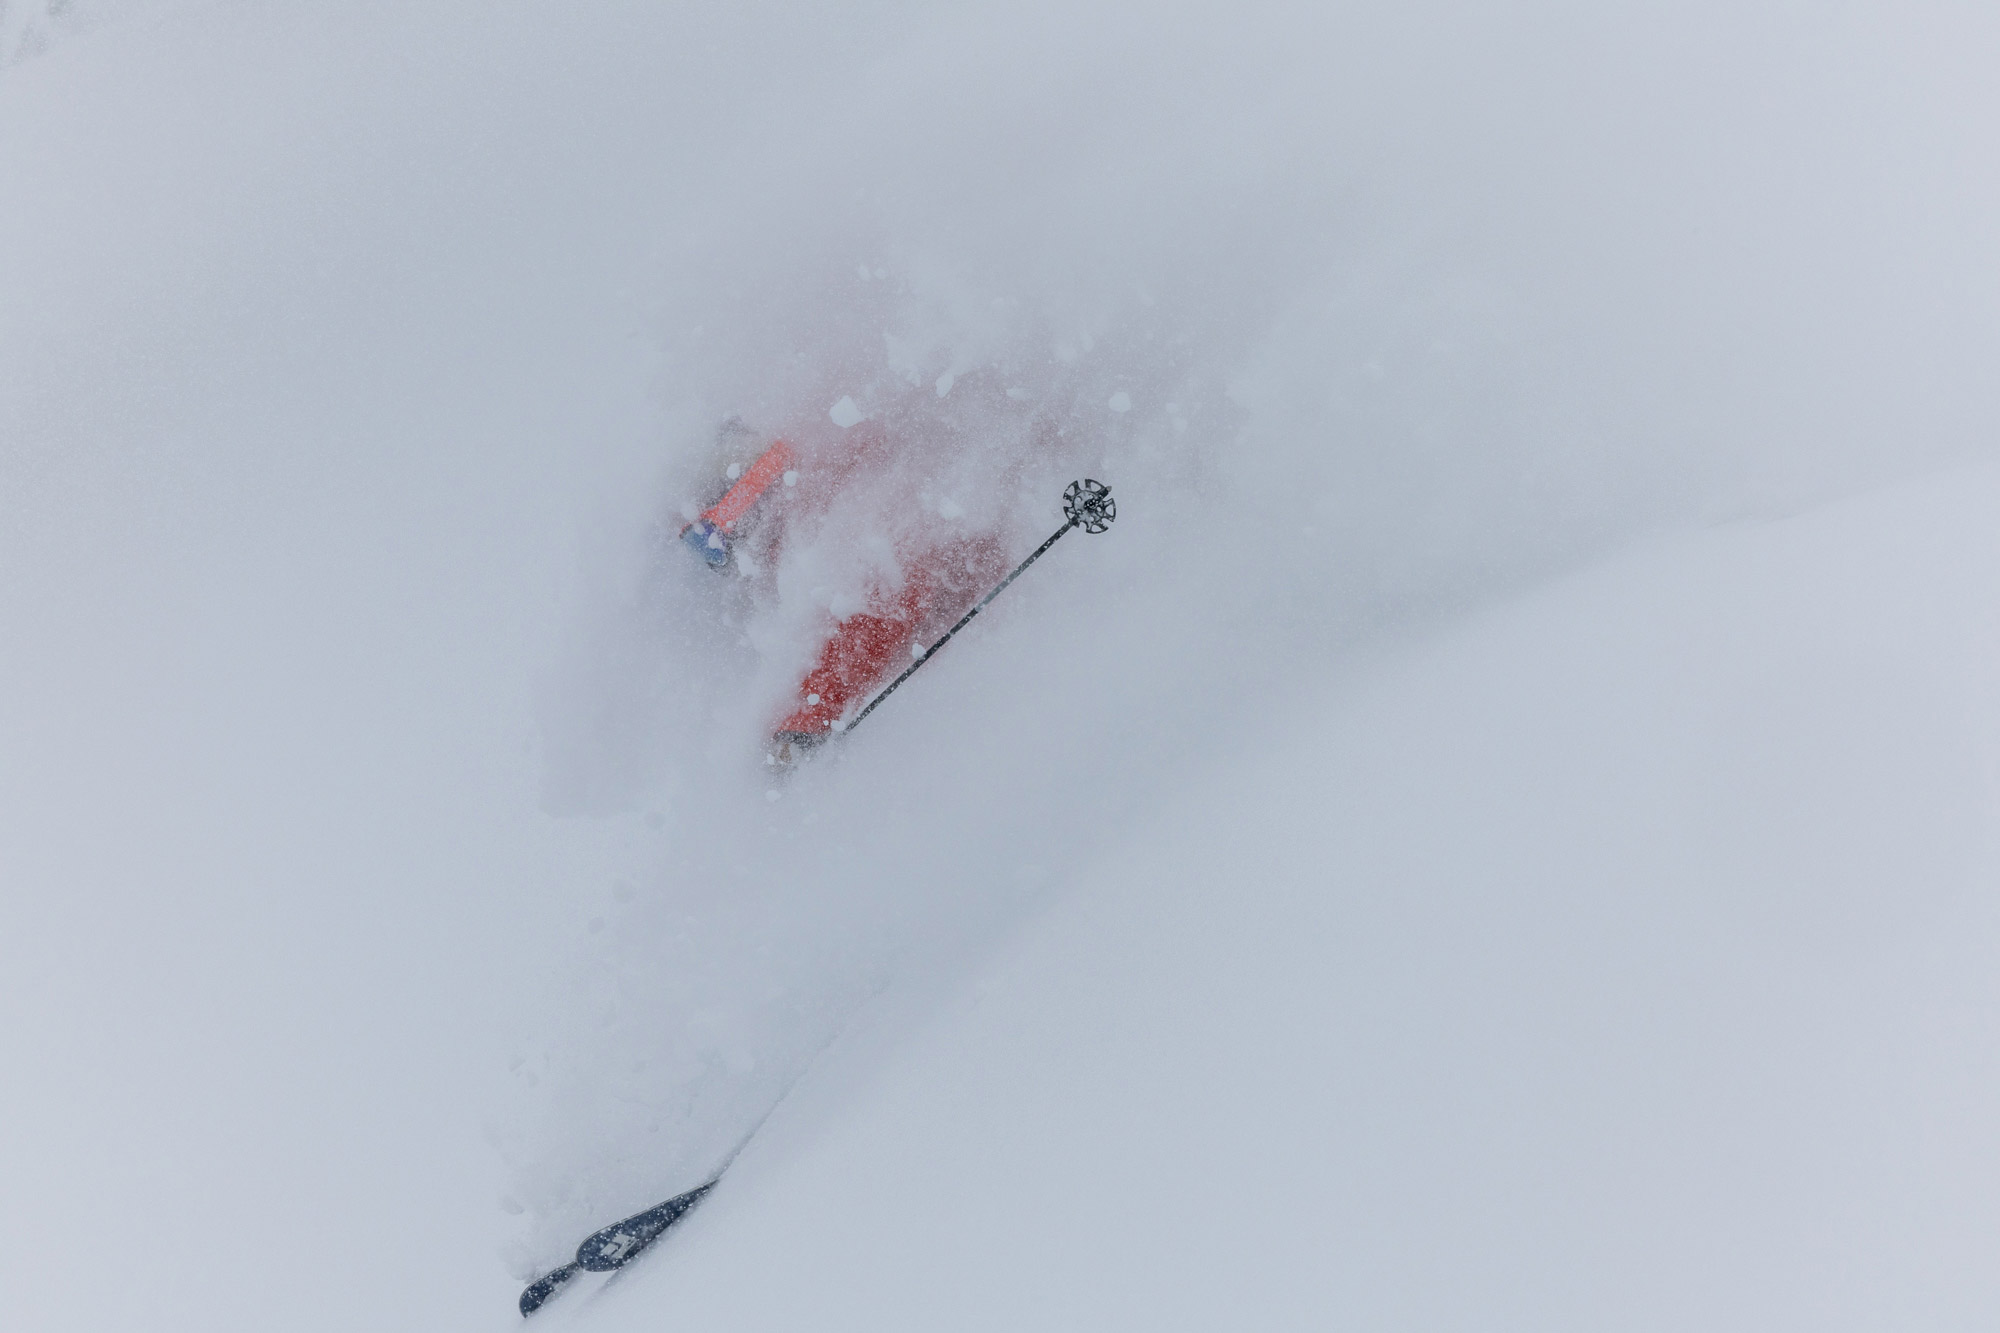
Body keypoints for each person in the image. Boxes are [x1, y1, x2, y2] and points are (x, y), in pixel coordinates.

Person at [676, 418, 1009, 760]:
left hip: (969, 512)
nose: (723, 561)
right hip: (956, 537)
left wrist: (808, 719)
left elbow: (878, 600)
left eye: (718, 542)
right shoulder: (816, 511)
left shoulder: (850, 519)